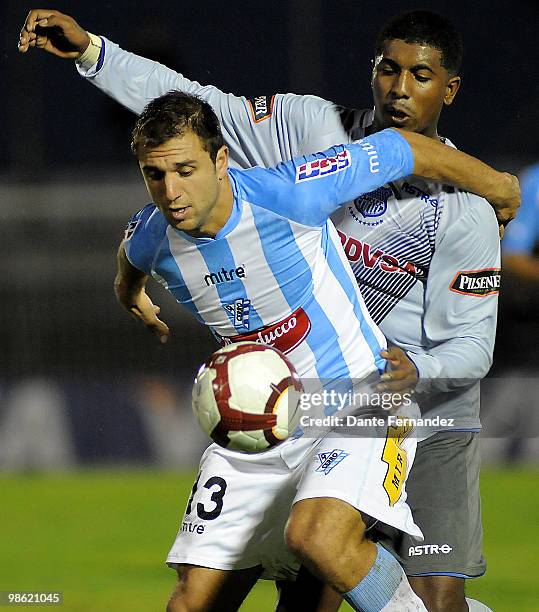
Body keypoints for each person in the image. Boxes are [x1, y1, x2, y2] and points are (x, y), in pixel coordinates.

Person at [18, 9, 517, 612]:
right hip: (297, 400)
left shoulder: (464, 213)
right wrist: (94, 53)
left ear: (450, 88)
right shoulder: (310, 131)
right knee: (297, 585)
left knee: (432, 599)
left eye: (420, 75)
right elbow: (197, 110)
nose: (400, 88)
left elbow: (473, 346)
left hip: (417, 403)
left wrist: (494, 188)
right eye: (389, 69)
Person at [114, 90, 497, 611]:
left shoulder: (290, 192)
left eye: (186, 170)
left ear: (220, 160)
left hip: (361, 398)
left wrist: (501, 188)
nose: (171, 191)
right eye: (154, 175)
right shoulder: (154, 234)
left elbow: (404, 148)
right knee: (190, 603)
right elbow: (129, 258)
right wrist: (131, 292)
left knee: (317, 539)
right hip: (256, 432)